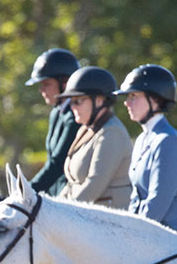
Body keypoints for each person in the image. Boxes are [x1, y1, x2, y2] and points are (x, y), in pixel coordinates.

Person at [114, 64, 177, 234]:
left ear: (155, 99)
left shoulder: (167, 140)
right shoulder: (142, 139)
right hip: (146, 234)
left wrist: (132, 233)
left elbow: (158, 202)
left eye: (133, 96)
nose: (127, 103)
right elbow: (136, 197)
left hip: (172, 240)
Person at [57, 66, 132, 208]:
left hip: (110, 221)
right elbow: (71, 183)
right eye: (71, 101)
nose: (72, 106)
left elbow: (95, 184)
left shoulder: (112, 132)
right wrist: (53, 206)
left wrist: (63, 212)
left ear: (99, 100)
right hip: (86, 217)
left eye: (78, 101)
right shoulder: (85, 130)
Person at [26, 48, 81, 195]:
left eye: (46, 84)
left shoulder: (76, 117)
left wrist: (27, 191)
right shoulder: (56, 113)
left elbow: (57, 164)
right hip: (54, 194)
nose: (41, 90)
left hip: (70, 197)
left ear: (65, 82)